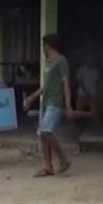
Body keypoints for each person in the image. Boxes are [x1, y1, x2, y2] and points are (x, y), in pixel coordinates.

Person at [23, 34, 73, 177]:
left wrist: (68, 104)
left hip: (55, 102)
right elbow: (46, 85)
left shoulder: (61, 61)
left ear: (48, 45)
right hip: (45, 101)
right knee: (43, 135)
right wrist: (33, 97)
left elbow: (65, 83)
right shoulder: (48, 62)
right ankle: (48, 166)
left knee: (46, 131)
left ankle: (62, 158)